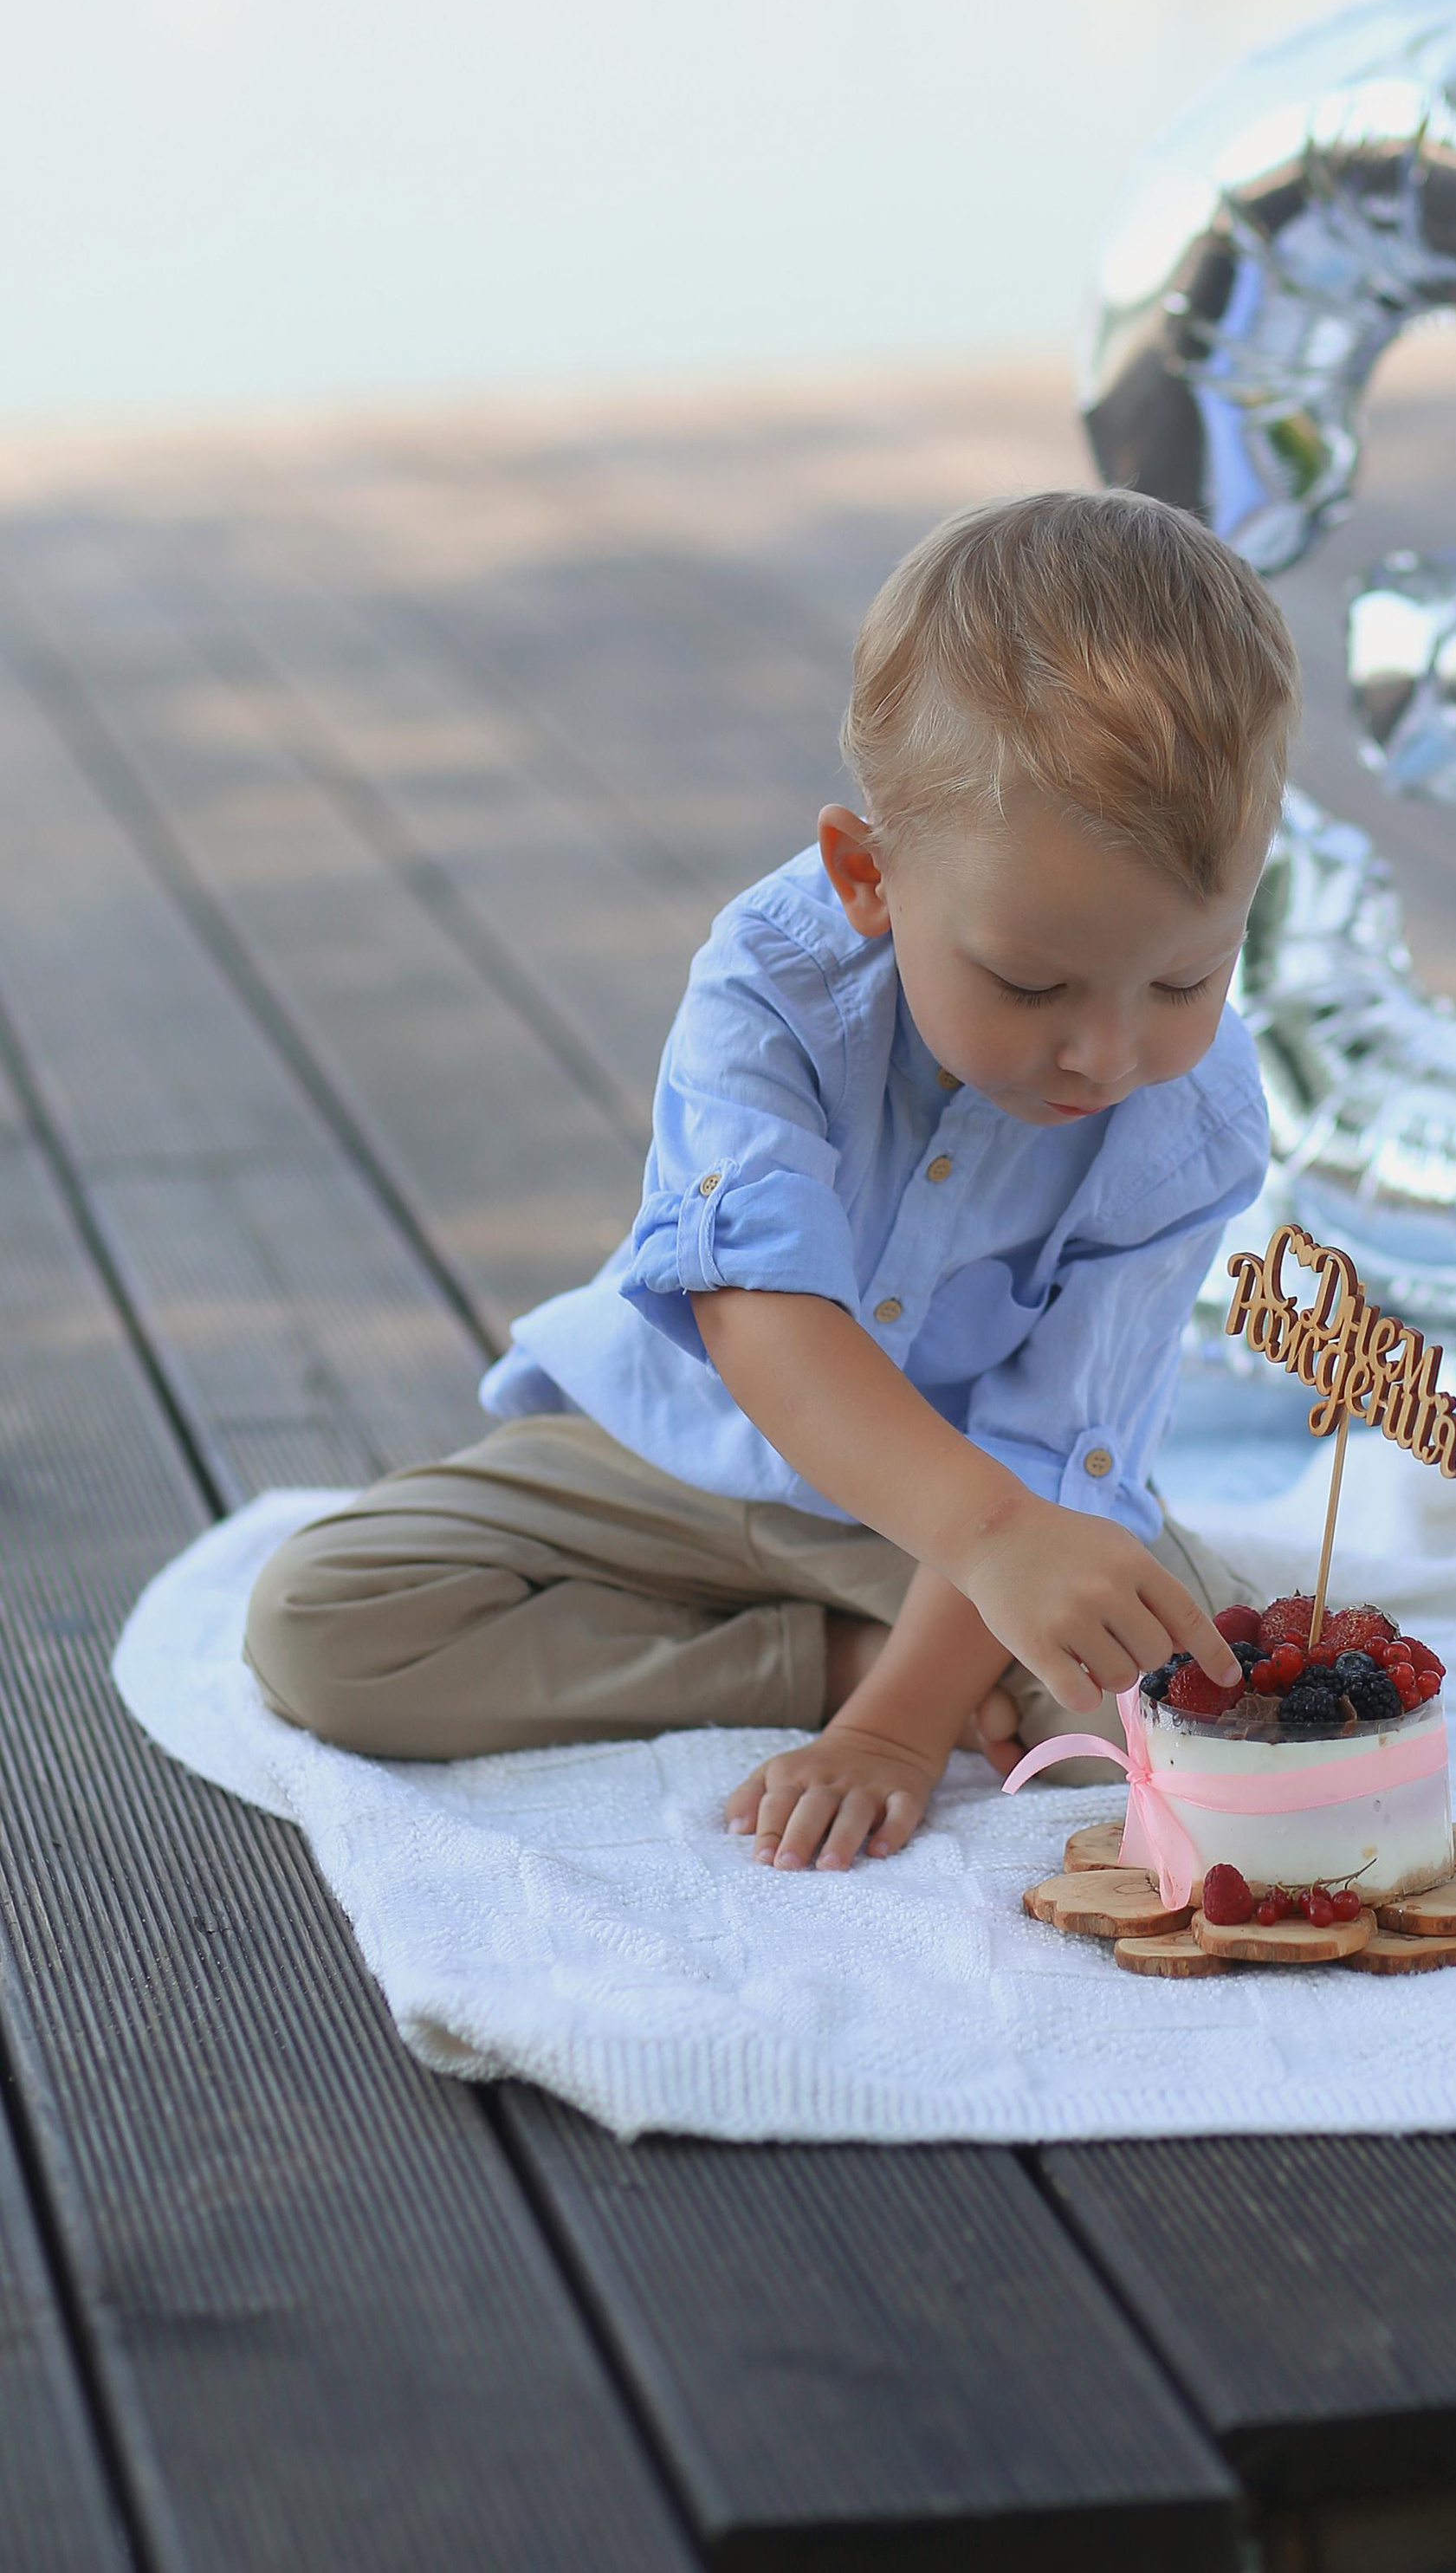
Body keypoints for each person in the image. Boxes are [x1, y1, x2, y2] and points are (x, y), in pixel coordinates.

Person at [243, 488, 1299, 1870]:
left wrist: (908, 1717)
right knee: (324, 1625)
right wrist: (900, 1671)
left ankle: (898, 1660)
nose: (1105, 1050)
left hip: (971, 1528)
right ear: (870, 874)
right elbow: (757, 1309)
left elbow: (1058, 1453)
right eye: (1029, 980)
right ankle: (818, 1661)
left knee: (1219, 1696)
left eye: (1183, 975)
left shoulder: (1191, 1119)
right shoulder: (778, 985)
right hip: (669, 1451)